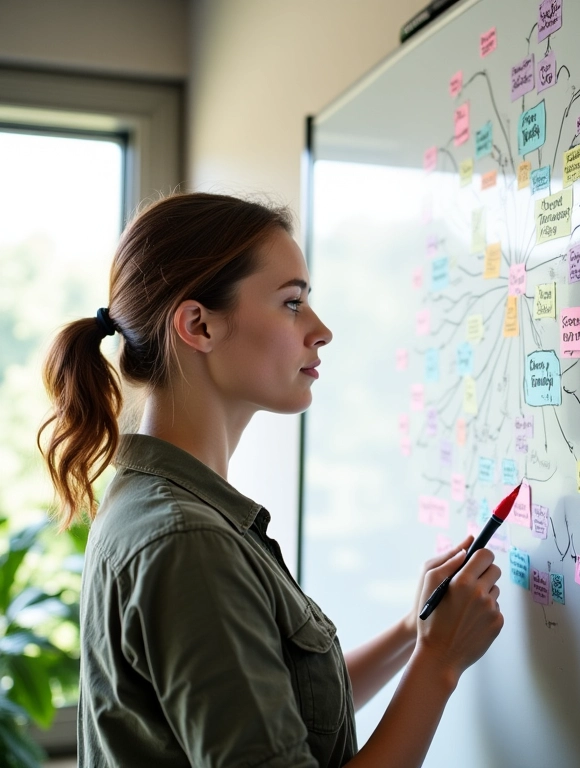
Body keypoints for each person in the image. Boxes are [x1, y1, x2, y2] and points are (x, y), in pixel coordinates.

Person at [38, 192, 504, 767]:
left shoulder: (154, 501)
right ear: (199, 325)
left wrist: (413, 632)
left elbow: (277, 717)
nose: (321, 329)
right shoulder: (188, 543)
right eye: (292, 302)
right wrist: (439, 665)